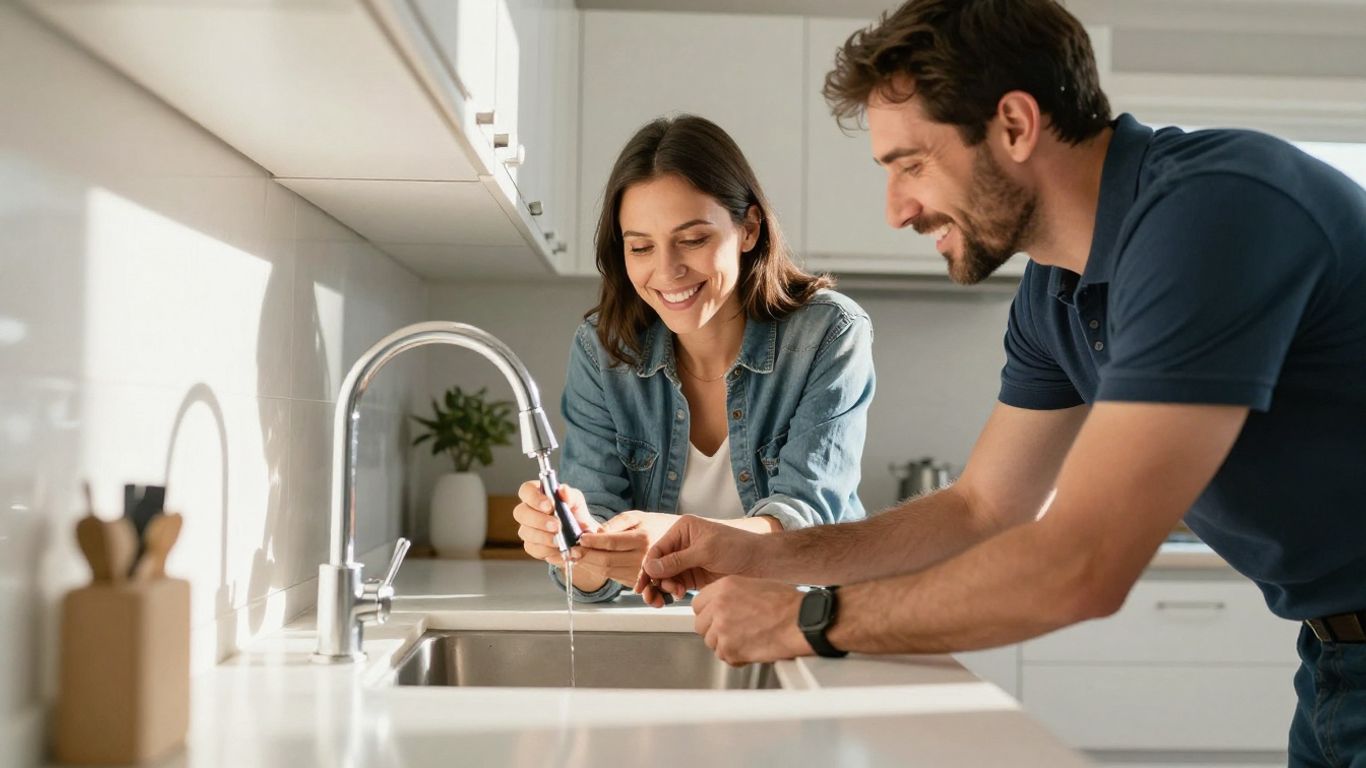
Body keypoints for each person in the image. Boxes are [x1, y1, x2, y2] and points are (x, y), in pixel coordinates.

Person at [635, 1, 1366, 762]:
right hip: (1335, 663)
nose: (897, 210)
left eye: (911, 164)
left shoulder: (1212, 213)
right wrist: (758, 555)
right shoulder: (1054, 291)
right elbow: (983, 507)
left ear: (1015, 125)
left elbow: (1082, 563)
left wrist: (803, 620)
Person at [513, 114, 876, 602]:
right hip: (664, 628)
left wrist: (679, 533)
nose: (668, 270)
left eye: (693, 239)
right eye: (641, 247)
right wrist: (573, 543)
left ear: (748, 228)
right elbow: (592, 558)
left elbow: (807, 524)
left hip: (804, 619)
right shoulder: (603, 349)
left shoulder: (828, 333)